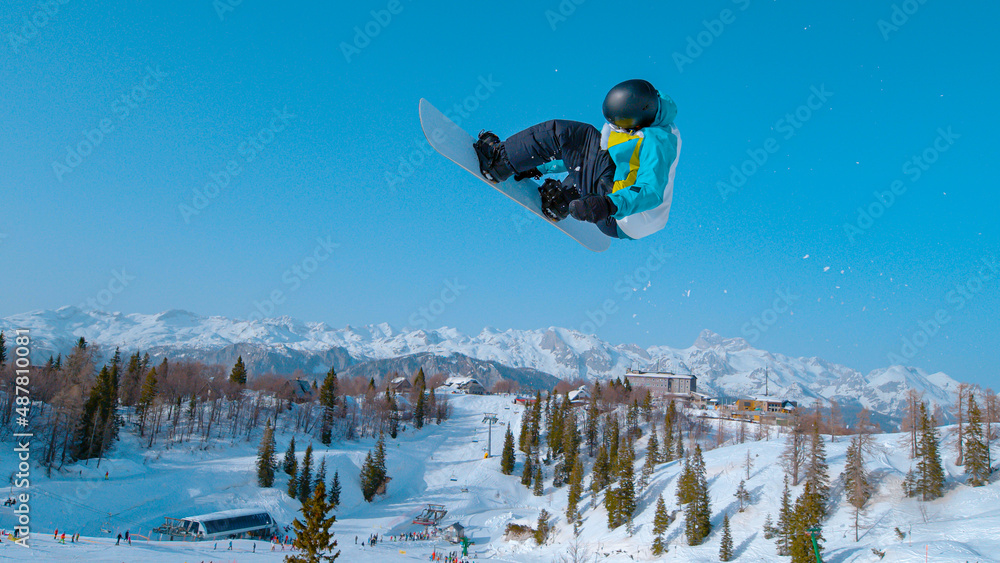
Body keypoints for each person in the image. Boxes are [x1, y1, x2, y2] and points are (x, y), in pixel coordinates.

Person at [473, 79, 681, 241]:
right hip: (613, 205)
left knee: (569, 134)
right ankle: (559, 202)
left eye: (620, 126)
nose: (616, 128)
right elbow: (586, 156)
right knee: (596, 148)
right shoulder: (639, 118)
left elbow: (651, 191)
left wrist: (607, 205)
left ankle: (498, 162)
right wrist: (539, 166)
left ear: (636, 123)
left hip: (619, 213)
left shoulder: (659, 141)